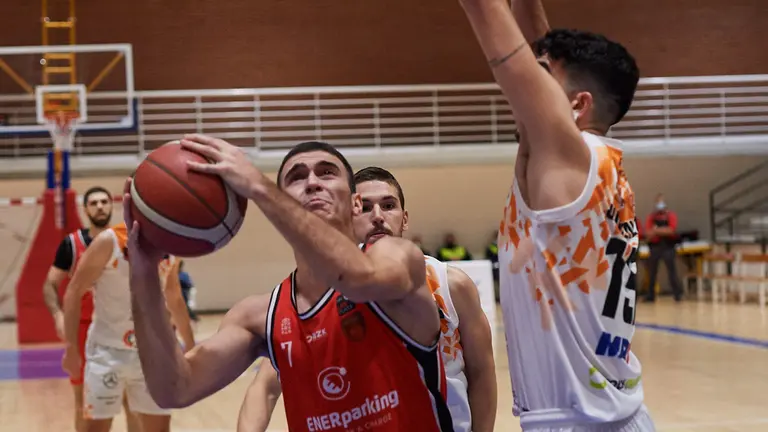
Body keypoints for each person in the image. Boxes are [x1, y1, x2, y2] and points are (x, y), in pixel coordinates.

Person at [125, 138, 455, 432]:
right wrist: (143, 272)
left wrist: (259, 185)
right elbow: (173, 388)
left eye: (327, 173)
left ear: (356, 203)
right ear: (281, 202)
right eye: (297, 177)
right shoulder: (259, 316)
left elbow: (359, 280)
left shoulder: (397, 256)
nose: (312, 182)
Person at [459, 0, 655, 430]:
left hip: (579, 420)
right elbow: (537, 51)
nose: (529, 80)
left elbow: (497, 38)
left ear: (577, 105)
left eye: (542, 75)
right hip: (610, 413)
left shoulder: (570, 156)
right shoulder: (594, 163)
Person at [236, 166, 497, 432]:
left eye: (388, 205)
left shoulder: (451, 284)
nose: (378, 216)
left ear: (404, 219)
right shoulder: (318, 294)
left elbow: (482, 372)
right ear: (349, 216)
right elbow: (265, 387)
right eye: (366, 207)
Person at [61, 221, 195, 431]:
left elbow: (174, 298)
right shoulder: (108, 241)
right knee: (95, 428)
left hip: (151, 354)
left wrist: (191, 346)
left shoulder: (169, 244)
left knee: (159, 428)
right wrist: (70, 348)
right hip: (107, 352)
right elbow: (73, 291)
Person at [42, 186, 141, 432]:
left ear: (112, 206)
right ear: (85, 209)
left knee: (133, 403)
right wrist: (58, 315)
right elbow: (49, 285)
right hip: (83, 329)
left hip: (118, 327)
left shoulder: (124, 241)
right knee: (83, 402)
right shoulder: (72, 244)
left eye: (104, 202)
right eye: (94, 202)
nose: (99, 206)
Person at [644, 194, 683, 302]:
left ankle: (677, 294)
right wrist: (662, 231)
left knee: (672, 271)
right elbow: (648, 233)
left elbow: (671, 230)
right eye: (658, 202)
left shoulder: (671, 215)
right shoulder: (651, 217)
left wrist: (656, 230)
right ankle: (650, 296)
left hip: (668, 247)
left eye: (661, 202)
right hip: (655, 247)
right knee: (652, 272)